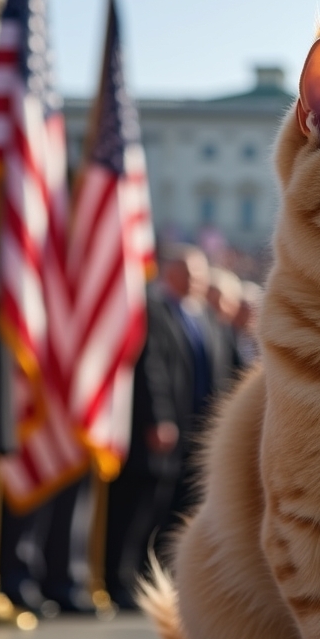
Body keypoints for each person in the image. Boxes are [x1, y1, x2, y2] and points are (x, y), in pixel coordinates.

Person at [106, 244, 239, 607]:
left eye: (201, 274)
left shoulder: (207, 319)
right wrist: (159, 417)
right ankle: (122, 581)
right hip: (163, 432)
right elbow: (151, 369)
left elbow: (225, 375)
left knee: (181, 512)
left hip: (199, 435)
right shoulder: (154, 310)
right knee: (143, 509)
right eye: (191, 273)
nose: (198, 280)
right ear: (171, 273)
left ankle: (168, 583)